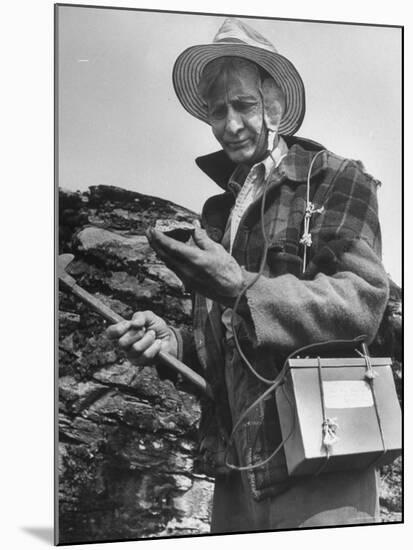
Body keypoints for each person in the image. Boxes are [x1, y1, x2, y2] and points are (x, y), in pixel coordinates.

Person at [107, 18, 389, 532]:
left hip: (324, 467)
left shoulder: (334, 178)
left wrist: (238, 285)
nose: (229, 124)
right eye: (217, 111)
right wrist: (170, 342)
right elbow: (226, 341)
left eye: (243, 106)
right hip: (237, 475)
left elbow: (361, 304)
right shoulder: (217, 211)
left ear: (276, 105)